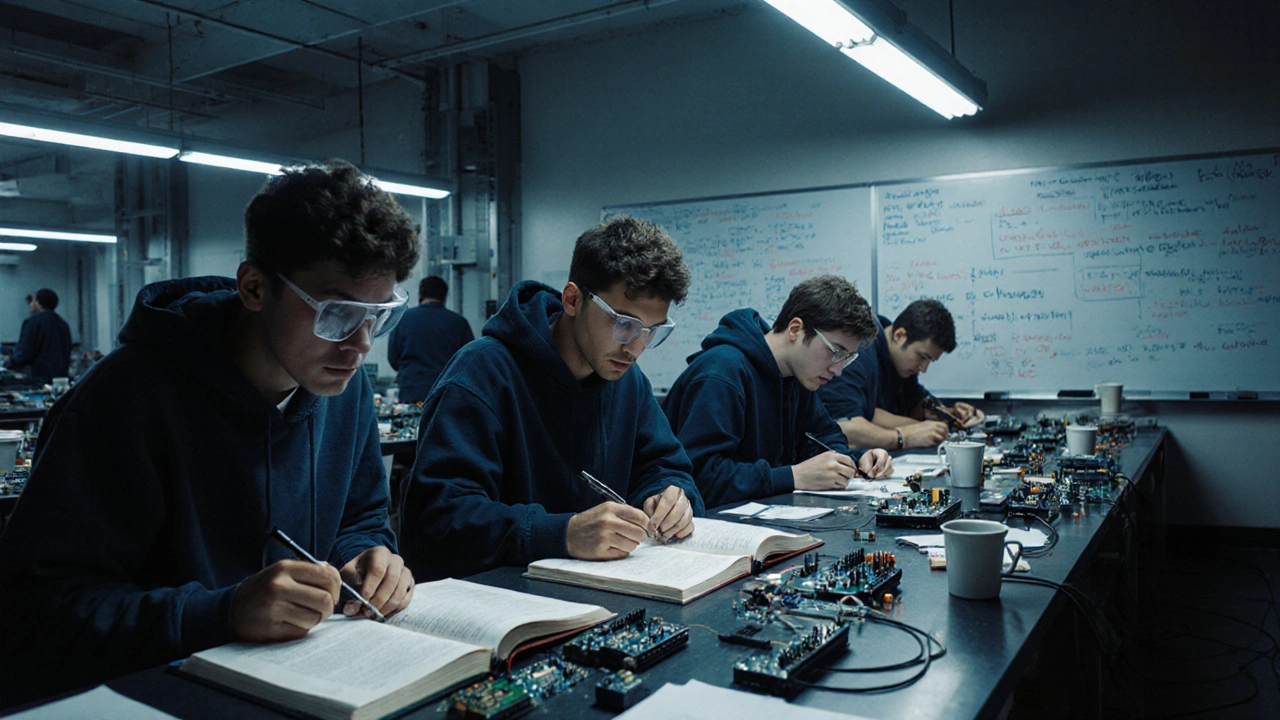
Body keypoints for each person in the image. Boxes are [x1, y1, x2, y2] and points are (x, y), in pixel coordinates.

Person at [0, 161, 419, 707]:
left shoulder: (343, 385)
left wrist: (366, 556)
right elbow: (35, 612)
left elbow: (360, 516)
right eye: (337, 314)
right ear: (254, 287)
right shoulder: (123, 397)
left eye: (378, 315)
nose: (361, 345)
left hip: (304, 681)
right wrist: (221, 613)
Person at [401, 215, 703, 581]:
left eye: (651, 331)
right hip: (500, 597)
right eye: (624, 324)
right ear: (573, 300)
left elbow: (666, 467)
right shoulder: (481, 374)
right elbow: (437, 521)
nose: (635, 348)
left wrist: (670, 497)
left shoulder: (628, 382)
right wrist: (561, 533)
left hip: (600, 593)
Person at [664, 275, 894, 508]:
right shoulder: (721, 373)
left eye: (847, 358)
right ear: (795, 329)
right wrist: (793, 476)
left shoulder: (798, 376)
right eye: (835, 352)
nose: (838, 370)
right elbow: (699, 479)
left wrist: (856, 461)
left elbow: (824, 437)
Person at [819, 298, 984, 450]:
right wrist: (903, 437)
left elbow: (915, 402)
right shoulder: (858, 352)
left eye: (930, 361)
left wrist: (950, 414)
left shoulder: (899, 360)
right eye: (922, 357)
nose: (923, 368)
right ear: (899, 335)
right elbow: (844, 426)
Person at [387, 275, 475, 404]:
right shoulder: (459, 323)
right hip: (447, 393)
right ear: (444, 297)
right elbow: (469, 361)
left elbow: (393, 358)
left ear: (420, 296)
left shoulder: (403, 319)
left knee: (411, 417)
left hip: (411, 390)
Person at [3, 288, 72, 383]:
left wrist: (6, 364)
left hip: (37, 379)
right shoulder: (63, 324)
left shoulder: (32, 322)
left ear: (38, 302)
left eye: (33, 301)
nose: (31, 304)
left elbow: (24, 353)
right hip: (60, 379)